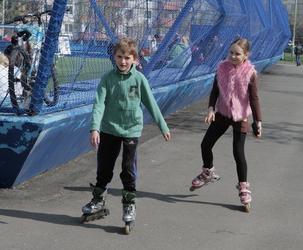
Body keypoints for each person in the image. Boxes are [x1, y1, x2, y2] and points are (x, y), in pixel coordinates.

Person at [81, 38, 171, 224]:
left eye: (127, 57)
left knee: (128, 168)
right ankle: (98, 198)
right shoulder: (107, 78)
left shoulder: (139, 79)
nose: (123, 61)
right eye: (119, 57)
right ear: (114, 57)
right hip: (109, 129)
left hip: (131, 130)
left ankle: (129, 203)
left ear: (135, 59)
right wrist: (94, 128)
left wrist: (163, 126)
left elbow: (151, 103)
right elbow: (99, 104)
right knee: (104, 167)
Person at [190, 39, 262, 210]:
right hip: (222, 113)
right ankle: (208, 172)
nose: (233, 56)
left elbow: (253, 98)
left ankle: (243, 187)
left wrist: (257, 121)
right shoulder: (221, 68)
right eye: (231, 52)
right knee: (205, 144)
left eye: (237, 53)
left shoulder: (249, 73)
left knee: (238, 152)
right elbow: (215, 91)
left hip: (240, 115)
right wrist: (210, 110)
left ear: (246, 55)